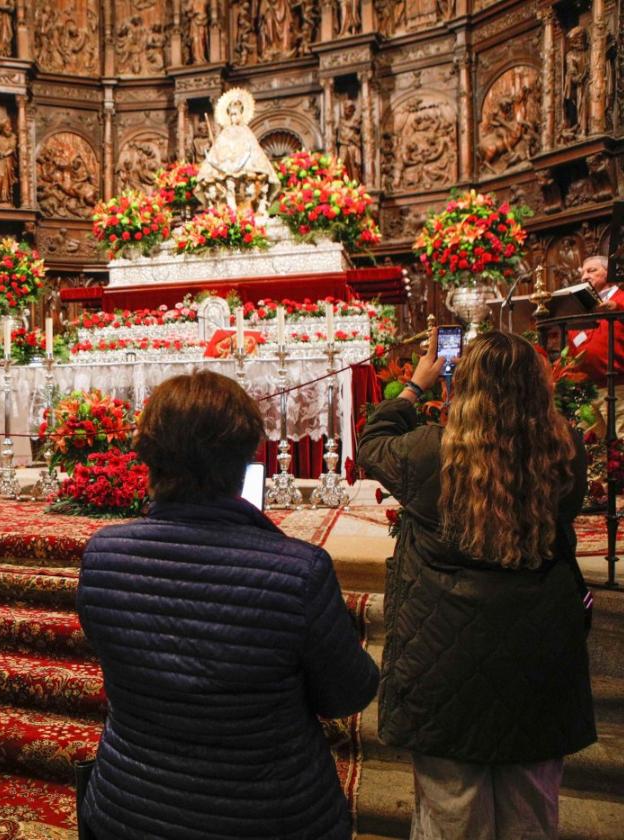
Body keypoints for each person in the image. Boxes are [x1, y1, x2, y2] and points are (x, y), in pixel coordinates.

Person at [76, 371, 379, 839]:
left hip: (129, 807)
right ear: (247, 454)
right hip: (267, 816)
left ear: (148, 453)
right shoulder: (296, 572)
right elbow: (348, 694)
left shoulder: (103, 555)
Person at [358, 329, 596, 840]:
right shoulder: (566, 449)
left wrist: (414, 387)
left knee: (450, 813)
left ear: (459, 386)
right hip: (538, 649)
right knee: (530, 809)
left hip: (444, 653)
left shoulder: (427, 452)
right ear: (539, 386)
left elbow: (372, 444)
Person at [568, 256, 623, 435]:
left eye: (591, 271)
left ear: (610, 274)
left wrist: (617, 307)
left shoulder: (620, 298)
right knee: (591, 449)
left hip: (619, 386)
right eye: (582, 273)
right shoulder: (580, 307)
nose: (584, 277)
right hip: (587, 390)